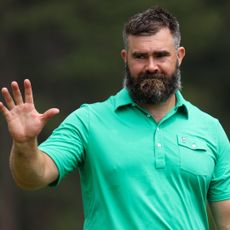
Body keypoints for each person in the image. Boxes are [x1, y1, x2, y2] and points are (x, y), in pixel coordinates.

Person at [0, 6, 229, 230]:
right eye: (140, 56)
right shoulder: (88, 122)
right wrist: (25, 144)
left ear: (179, 56)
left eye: (161, 55)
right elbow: (33, 176)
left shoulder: (210, 130)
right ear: (125, 58)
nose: (151, 66)